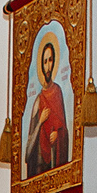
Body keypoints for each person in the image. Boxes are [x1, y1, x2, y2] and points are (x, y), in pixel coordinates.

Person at [24, 34, 72, 175]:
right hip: (38, 161)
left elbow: (64, 128)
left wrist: (58, 134)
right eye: (45, 62)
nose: (48, 66)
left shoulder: (57, 92)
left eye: (50, 60)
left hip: (53, 156)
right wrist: (40, 121)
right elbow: (29, 145)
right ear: (41, 65)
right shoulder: (38, 100)